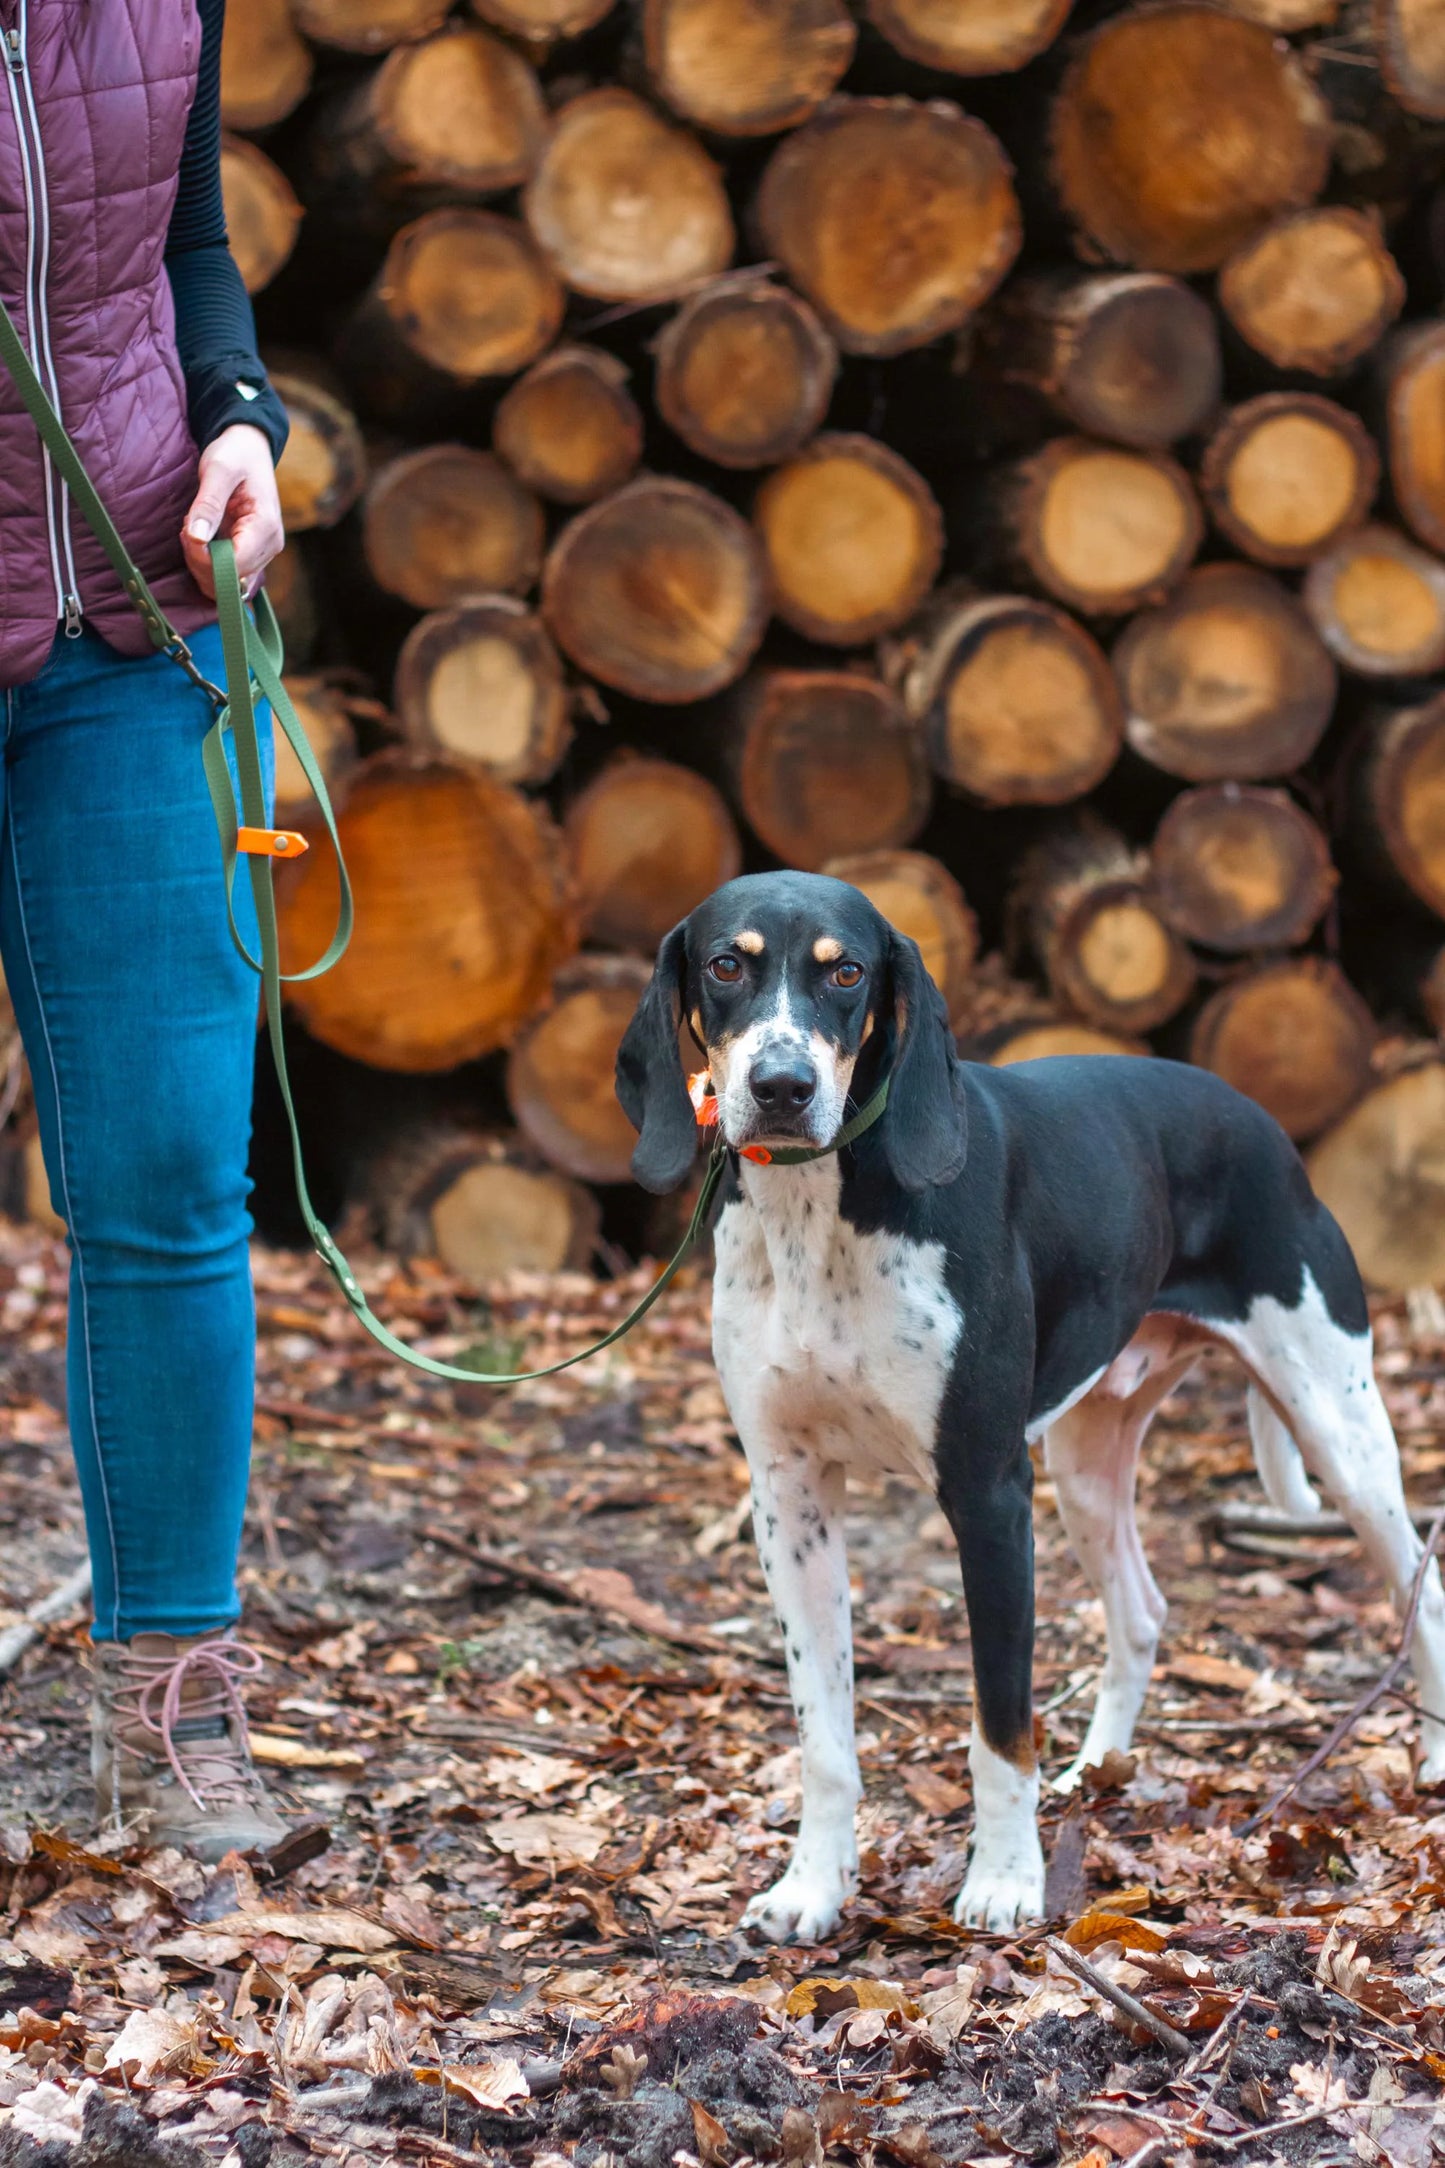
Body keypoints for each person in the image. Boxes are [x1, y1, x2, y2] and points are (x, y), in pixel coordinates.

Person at [0, 0, 292, 1858]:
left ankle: (169, 1706)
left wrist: (241, 421)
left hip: (117, 616)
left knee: (175, 1168)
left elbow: (182, 251)